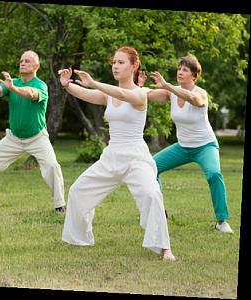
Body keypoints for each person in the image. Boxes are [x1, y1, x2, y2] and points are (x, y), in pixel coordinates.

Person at [58, 46, 175, 261]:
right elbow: (87, 94)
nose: (115, 66)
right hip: (112, 156)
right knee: (78, 191)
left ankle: (162, 247)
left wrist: (93, 82)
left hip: (135, 158)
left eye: (121, 62)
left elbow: (122, 93)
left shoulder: (140, 93)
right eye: (114, 62)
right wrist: (68, 86)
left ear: (134, 66)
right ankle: (79, 239)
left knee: (151, 194)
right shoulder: (108, 95)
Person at [138, 53, 233, 234]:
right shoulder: (171, 92)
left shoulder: (200, 93)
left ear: (194, 75)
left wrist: (167, 86)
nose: (180, 72)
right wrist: (139, 87)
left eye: (185, 70)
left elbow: (194, 100)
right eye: (179, 69)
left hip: (205, 146)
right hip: (183, 147)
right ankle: (158, 213)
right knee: (151, 167)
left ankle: (222, 221)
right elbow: (147, 95)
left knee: (214, 174)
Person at [0, 50, 66, 212]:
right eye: (21, 61)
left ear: (36, 66)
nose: (22, 63)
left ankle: (60, 205)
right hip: (14, 138)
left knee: (52, 166)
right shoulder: (13, 81)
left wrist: (13, 88)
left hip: (37, 137)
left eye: (27, 61)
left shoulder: (40, 85)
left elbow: (31, 93)